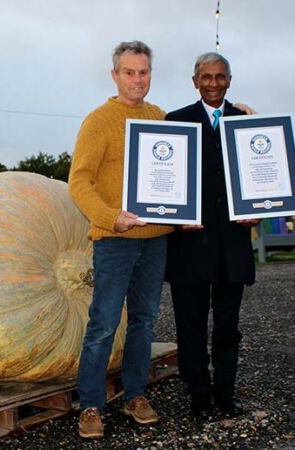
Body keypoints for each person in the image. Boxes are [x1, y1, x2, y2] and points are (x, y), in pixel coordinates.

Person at [68, 41, 173, 439]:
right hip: (115, 238)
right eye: (129, 72)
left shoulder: (160, 118)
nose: (137, 79)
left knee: (144, 322)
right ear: (115, 75)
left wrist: (240, 117)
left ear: (150, 74)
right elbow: (79, 181)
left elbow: (179, 169)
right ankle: (91, 405)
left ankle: (135, 395)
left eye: (143, 72)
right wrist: (111, 217)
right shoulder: (98, 121)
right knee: (104, 323)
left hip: (156, 238)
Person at [165, 52, 257, 420]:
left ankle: (225, 396)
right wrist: (175, 219)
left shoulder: (248, 124)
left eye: (220, 76)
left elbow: (258, 180)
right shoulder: (175, 122)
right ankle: (199, 397)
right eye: (206, 77)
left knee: (227, 328)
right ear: (195, 81)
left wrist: (257, 212)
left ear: (229, 80)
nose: (214, 83)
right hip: (188, 247)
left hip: (231, 248)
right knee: (190, 327)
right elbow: (164, 187)